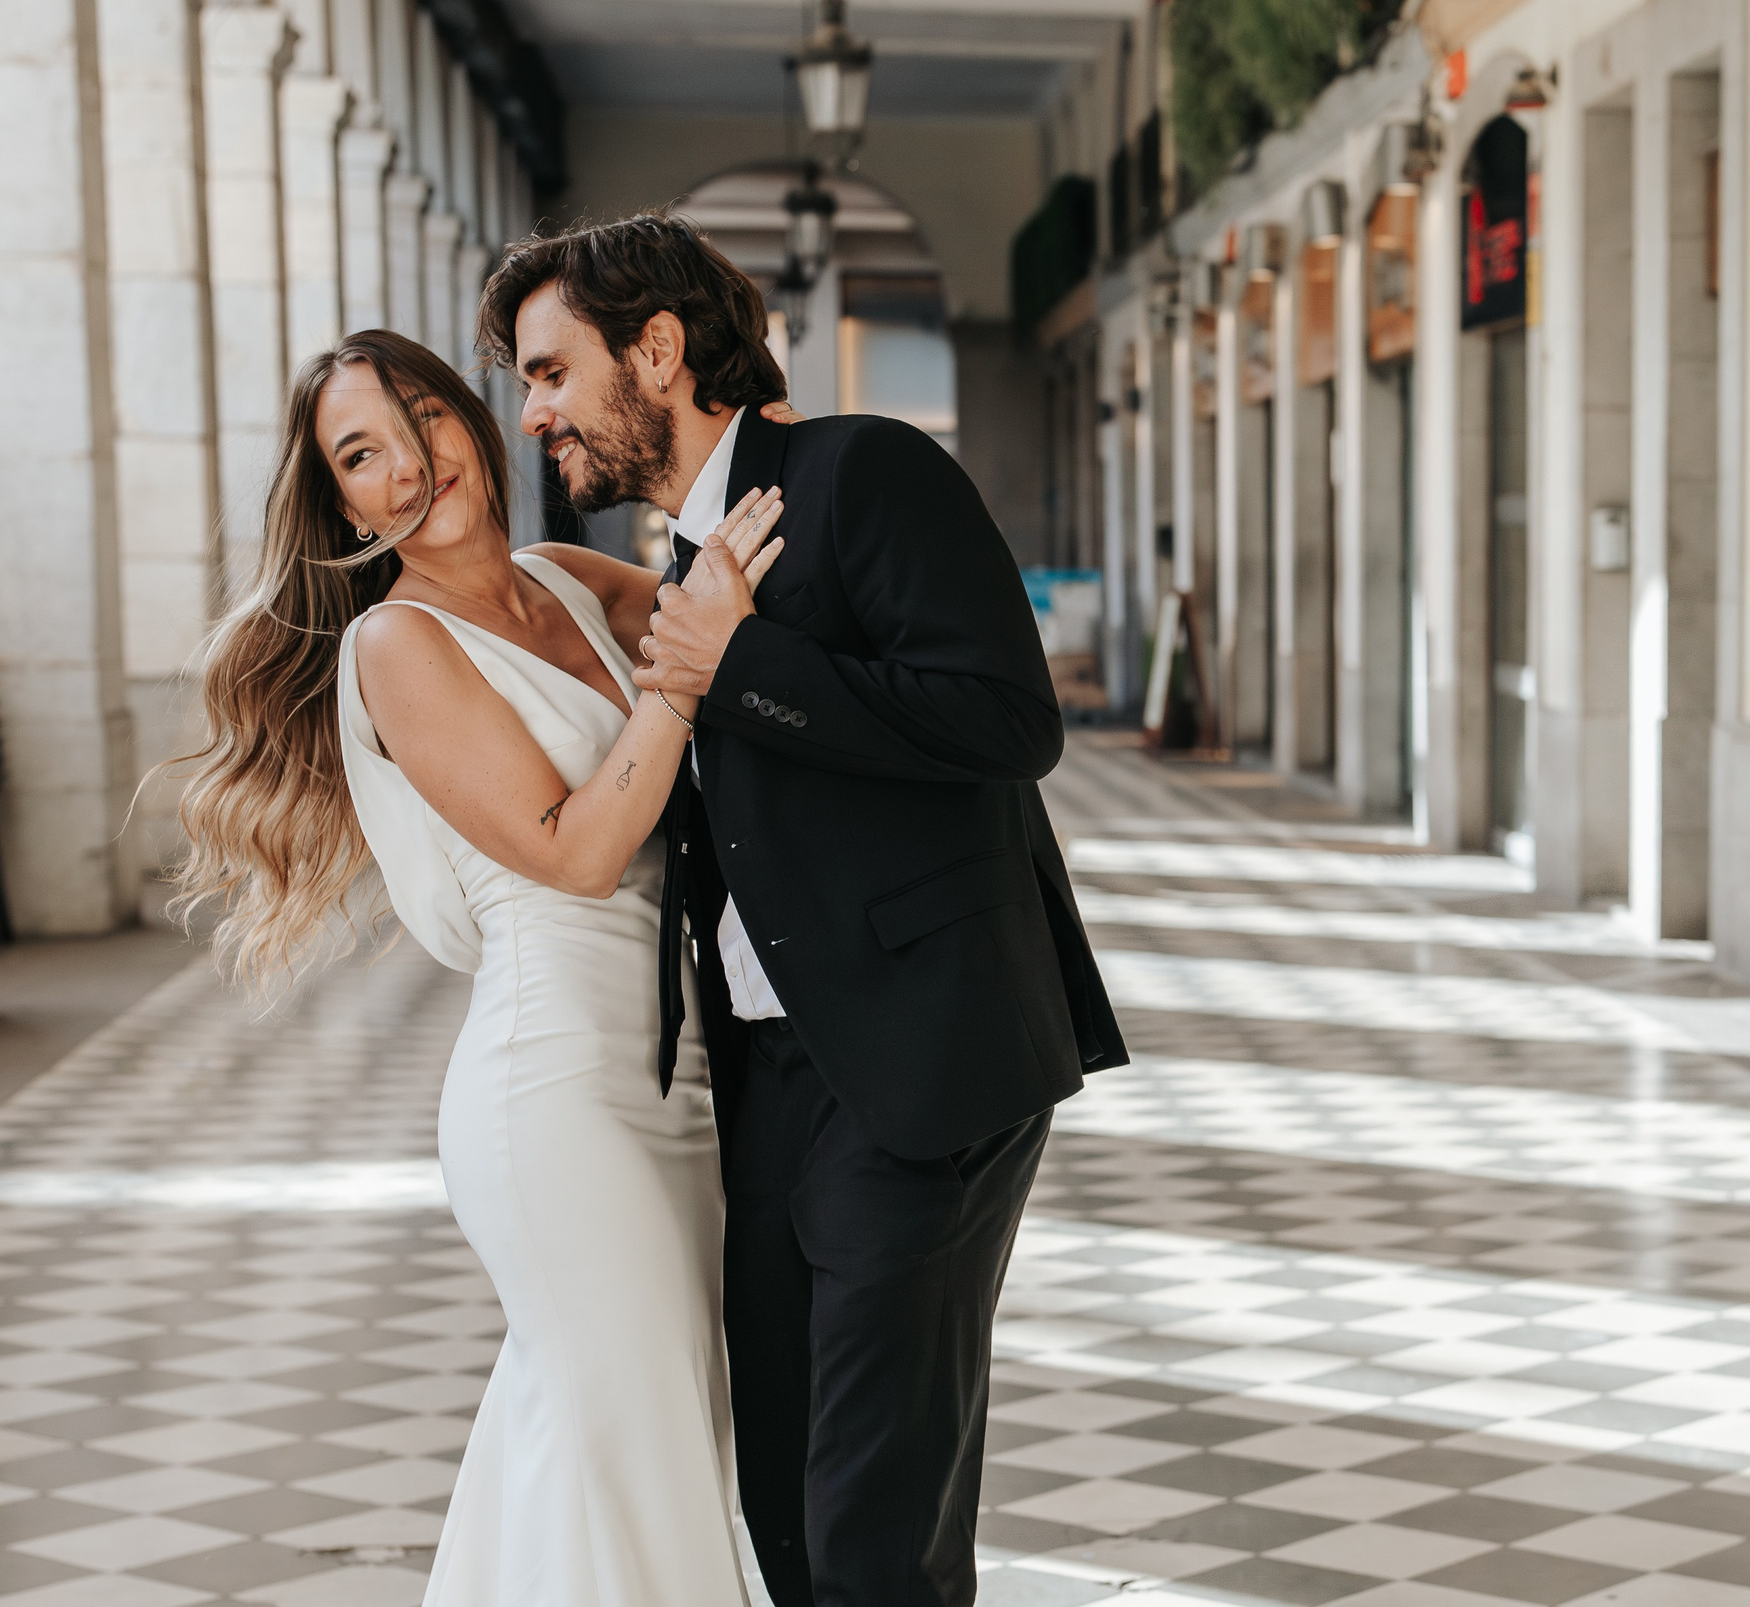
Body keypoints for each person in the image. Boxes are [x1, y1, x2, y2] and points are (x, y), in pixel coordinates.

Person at [476, 214, 1125, 1607]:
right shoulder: (686, 550)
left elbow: (1010, 720)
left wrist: (743, 659)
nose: (531, 414)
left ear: (656, 350)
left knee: (871, 1524)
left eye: (546, 372)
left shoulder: (860, 472)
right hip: (768, 1086)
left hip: (921, 1065)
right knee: (778, 1492)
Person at [171, 327, 800, 1604]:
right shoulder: (395, 648)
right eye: (362, 453)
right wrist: (679, 681)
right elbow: (573, 851)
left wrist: (748, 415)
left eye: (422, 419)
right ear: (340, 499)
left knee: (623, 1435)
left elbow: (728, 589)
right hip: (556, 1091)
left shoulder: (563, 580)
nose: (408, 465)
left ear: (474, 414)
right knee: (631, 1444)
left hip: (676, 1077)